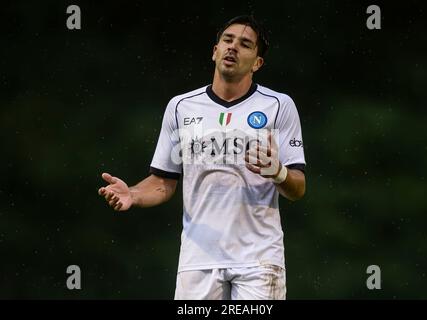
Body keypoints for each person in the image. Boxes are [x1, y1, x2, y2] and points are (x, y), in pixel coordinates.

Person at [98, 15, 306, 300]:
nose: (233, 48)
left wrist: (279, 172)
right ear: (215, 51)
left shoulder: (279, 106)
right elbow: (163, 181)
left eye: (245, 44)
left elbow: (298, 188)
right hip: (198, 260)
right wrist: (133, 194)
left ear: (257, 63)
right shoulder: (181, 107)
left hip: (258, 260)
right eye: (227, 40)